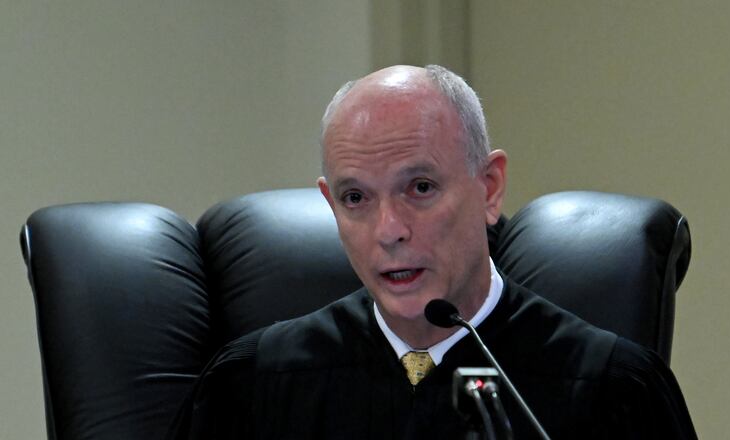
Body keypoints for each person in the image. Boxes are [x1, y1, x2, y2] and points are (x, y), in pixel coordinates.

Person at [169, 65, 697, 439]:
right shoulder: (253, 386)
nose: (390, 230)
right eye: (356, 198)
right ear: (331, 206)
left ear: (489, 188)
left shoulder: (610, 390)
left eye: (419, 188)